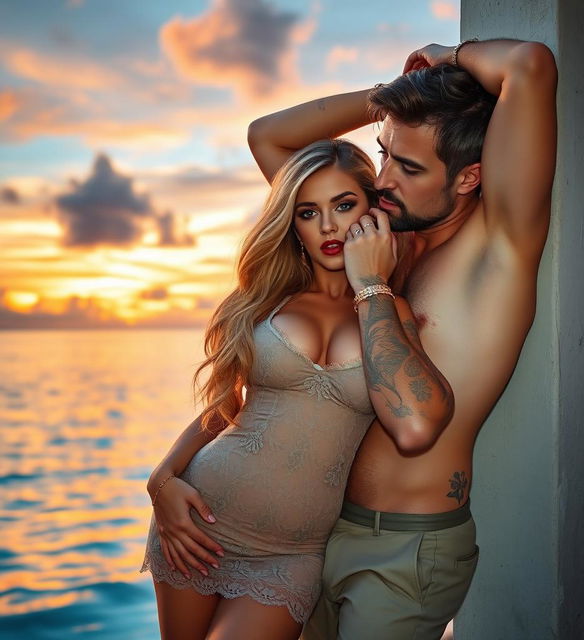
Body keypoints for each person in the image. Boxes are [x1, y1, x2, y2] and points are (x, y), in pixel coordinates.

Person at [246, 38, 557, 639]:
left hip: (408, 551)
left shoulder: (499, 247)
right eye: (384, 153)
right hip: (315, 532)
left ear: (470, 177)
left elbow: (530, 65)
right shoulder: (380, 235)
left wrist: (449, 54)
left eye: (408, 168)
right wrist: (388, 98)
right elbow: (269, 139)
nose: (382, 180)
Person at [140, 138, 454, 640]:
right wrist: (161, 481)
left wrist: (370, 281)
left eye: (344, 205)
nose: (328, 226)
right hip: (197, 524)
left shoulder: (387, 313)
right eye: (309, 212)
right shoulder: (265, 300)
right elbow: (224, 408)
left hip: (291, 556)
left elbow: (418, 420)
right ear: (293, 224)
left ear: (373, 211)